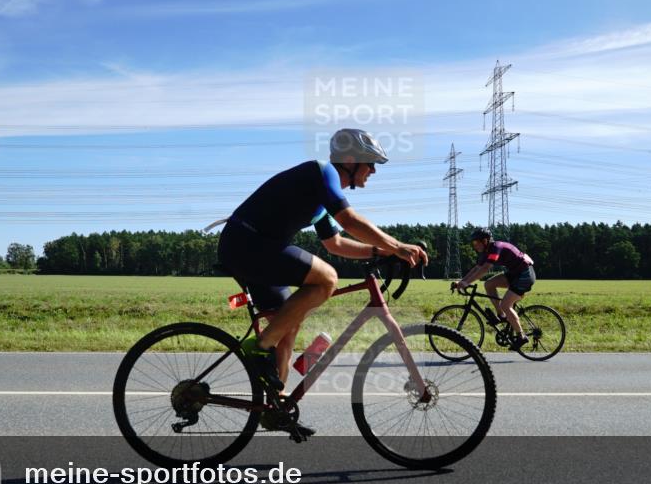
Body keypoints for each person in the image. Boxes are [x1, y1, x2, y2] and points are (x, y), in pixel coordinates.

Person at [217, 128, 428, 437]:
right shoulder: (322, 173)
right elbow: (350, 221)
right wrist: (396, 246)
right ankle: (257, 347)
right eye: (371, 163)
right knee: (327, 278)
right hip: (247, 244)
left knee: (287, 327)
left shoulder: (320, 198)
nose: (372, 171)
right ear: (352, 161)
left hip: (254, 247)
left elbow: (336, 244)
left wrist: (381, 251)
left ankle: (275, 408)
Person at [453, 228, 535, 351]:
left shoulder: (496, 247)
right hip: (514, 273)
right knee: (489, 284)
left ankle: (521, 336)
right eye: (473, 244)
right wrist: (462, 281)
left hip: (524, 275)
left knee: (505, 305)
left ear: (485, 240)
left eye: (476, 243)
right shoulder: (486, 251)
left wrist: (466, 283)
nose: (474, 246)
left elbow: (485, 268)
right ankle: (501, 316)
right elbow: (477, 268)